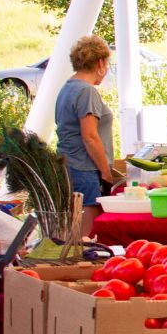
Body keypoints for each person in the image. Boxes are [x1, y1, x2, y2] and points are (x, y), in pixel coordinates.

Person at [54, 35, 115, 235]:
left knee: (71, 230)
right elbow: (89, 136)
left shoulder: (67, 87)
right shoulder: (87, 91)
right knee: (86, 234)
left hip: (68, 163)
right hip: (85, 167)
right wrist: (106, 173)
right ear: (100, 63)